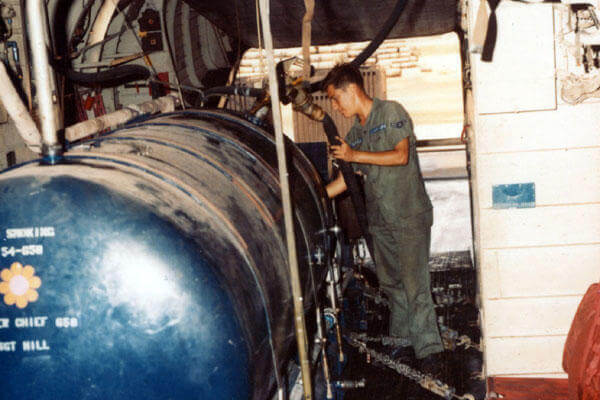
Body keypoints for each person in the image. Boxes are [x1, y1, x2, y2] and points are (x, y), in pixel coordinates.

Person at [323, 63, 443, 369]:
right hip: (381, 222)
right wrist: (315, 197)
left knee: (415, 285)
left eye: (336, 98)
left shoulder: (391, 113)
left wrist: (354, 155)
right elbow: (346, 179)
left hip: (408, 214)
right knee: (392, 285)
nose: (335, 106)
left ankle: (430, 353)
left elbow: (400, 156)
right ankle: (402, 343)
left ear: (351, 89)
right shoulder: (357, 133)